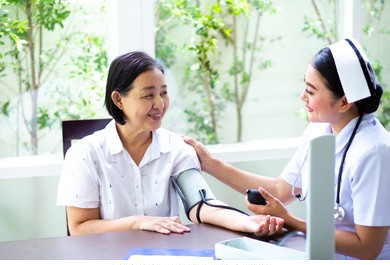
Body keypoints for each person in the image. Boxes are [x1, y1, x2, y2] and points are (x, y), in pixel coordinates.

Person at [184, 38, 390, 260]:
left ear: (344, 103)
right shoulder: (319, 130)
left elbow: (367, 248)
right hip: (324, 260)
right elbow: (280, 189)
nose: (303, 97)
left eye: (311, 91)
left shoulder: (374, 152)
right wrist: (210, 164)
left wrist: (291, 222)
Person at [56, 51, 284, 237]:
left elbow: (201, 205)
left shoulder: (176, 148)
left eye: (163, 93)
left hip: (163, 260)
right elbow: (80, 228)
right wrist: (139, 222)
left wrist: (248, 223)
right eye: (148, 95)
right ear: (118, 100)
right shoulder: (85, 154)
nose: (160, 104)